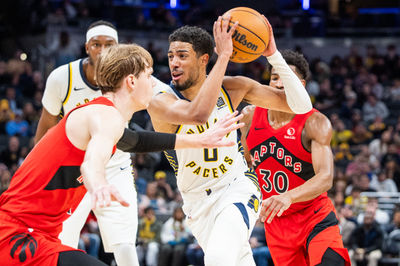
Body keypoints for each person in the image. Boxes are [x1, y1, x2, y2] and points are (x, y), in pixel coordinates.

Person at [0, 43, 244, 265]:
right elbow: (92, 163)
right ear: (131, 81)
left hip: (38, 233)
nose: (153, 82)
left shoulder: (105, 116)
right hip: (17, 234)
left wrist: (199, 139)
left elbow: (137, 140)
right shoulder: (106, 117)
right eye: (148, 76)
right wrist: (98, 185)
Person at [147, 15, 312, 265]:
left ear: (204, 59)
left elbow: (300, 106)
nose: (174, 63)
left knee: (218, 258)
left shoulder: (234, 88)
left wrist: (273, 54)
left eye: (182, 55)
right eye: (171, 56)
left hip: (237, 186)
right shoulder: (161, 101)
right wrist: (223, 56)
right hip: (196, 202)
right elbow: (198, 114)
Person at [33, 20, 170, 266]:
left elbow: (174, 103)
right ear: (87, 47)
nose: (103, 50)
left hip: (115, 167)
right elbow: (44, 129)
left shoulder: (133, 77)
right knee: (62, 242)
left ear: (118, 48)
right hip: (73, 170)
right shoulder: (62, 78)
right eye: (97, 44)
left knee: (126, 247)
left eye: (110, 44)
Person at [241, 49, 350, 265]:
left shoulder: (315, 122)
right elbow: (247, 164)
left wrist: (289, 196)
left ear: (300, 86)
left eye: (287, 78)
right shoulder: (250, 116)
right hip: (277, 225)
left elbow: (326, 178)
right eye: (274, 78)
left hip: (313, 215)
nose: (280, 84)